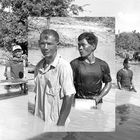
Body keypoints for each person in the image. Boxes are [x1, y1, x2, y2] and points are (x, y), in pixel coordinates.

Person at [34, 29, 76, 127]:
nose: (45, 47)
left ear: (57, 44)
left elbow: (69, 96)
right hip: (39, 121)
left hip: (55, 124)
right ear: (38, 44)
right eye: (42, 43)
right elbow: (37, 95)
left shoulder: (63, 67)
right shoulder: (38, 66)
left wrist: (59, 127)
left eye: (49, 44)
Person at [70, 32, 112, 105]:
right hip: (79, 102)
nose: (80, 48)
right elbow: (68, 84)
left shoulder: (103, 65)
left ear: (93, 46)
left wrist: (99, 97)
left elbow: (108, 83)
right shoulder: (74, 64)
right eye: (79, 45)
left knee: (96, 116)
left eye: (83, 45)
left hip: (96, 103)